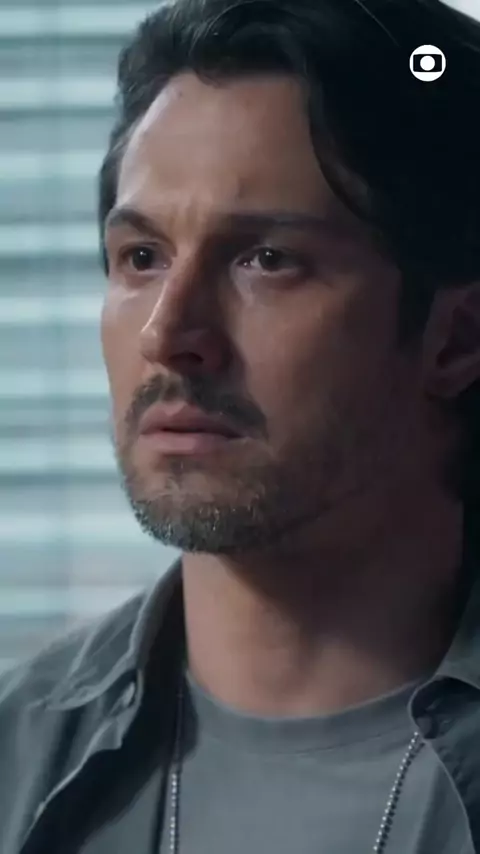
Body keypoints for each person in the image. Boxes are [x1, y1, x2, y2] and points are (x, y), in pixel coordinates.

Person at [2, 0, 480, 852]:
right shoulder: (17, 760)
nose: (167, 334)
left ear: (457, 340)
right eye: (141, 257)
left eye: (267, 260)